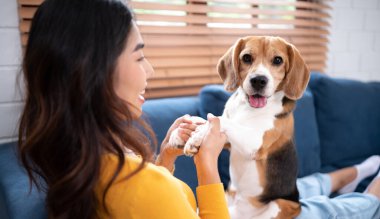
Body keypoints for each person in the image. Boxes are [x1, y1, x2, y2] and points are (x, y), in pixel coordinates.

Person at [18, 0, 229, 218]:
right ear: (95, 72)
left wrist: (165, 158)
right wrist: (207, 166)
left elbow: (144, 209)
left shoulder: (79, 160)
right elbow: (148, 196)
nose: (150, 70)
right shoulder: (147, 187)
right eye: (139, 57)